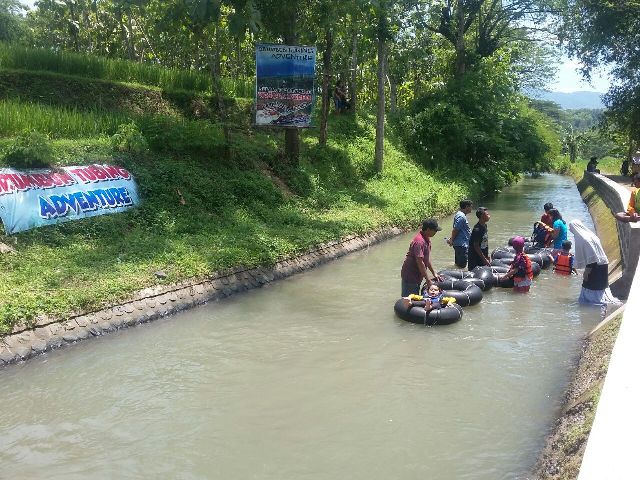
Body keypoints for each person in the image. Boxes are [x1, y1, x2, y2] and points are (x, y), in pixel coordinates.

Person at [568, 219, 621, 307]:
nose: (570, 230)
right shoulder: (591, 235)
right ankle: (600, 303)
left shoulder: (581, 238)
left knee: (589, 285)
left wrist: (582, 270)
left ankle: (593, 305)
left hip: (594, 265)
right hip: (603, 263)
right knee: (600, 286)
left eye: (571, 228)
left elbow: (586, 258)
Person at [400, 218, 443, 297]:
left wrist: (434, 273)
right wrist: (427, 279)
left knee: (416, 296)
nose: (436, 232)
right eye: (435, 230)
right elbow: (420, 261)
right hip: (411, 275)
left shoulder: (427, 240)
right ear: (428, 229)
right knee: (410, 299)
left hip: (417, 274)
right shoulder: (419, 241)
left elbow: (426, 259)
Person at [447, 199, 473, 268]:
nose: (471, 208)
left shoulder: (460, 215)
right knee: (462, 266)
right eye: (471, 206)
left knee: (458, 265)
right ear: (467, 207)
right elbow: (456, 229)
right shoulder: (461, 216)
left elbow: (457, 230)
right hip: (461, 245)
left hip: (460, 244)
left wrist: (451, 239)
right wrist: (451, 240)